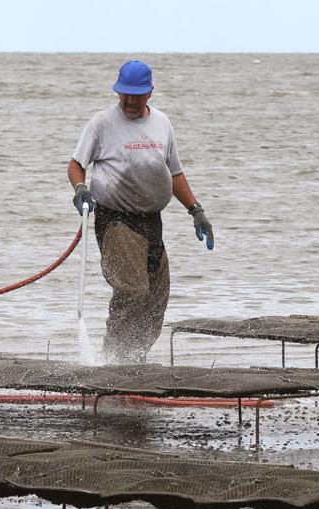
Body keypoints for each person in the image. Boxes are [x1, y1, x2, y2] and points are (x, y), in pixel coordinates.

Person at [68, 59, 214, 364]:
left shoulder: (162, 123)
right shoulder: (102, 124)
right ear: (118, 91)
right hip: (116, 218)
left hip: (152, 220)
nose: (131, 101)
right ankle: (112, 362)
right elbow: (76, 165)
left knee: (155, 297)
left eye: (137, 95)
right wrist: (80, 189)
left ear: (149, 93)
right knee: (132, 289)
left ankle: (134, 360)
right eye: (125, 94)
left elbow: (174, 172)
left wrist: (196, 210)